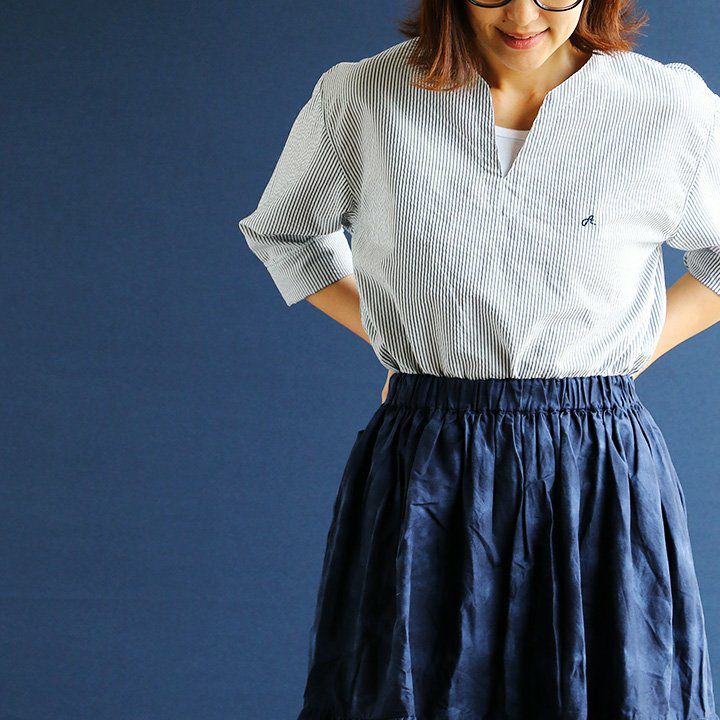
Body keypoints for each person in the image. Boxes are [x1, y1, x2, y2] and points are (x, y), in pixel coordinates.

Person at [238, 0, 720, 716]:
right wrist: (410, 337)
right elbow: (286, 232)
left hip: (595, 466)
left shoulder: (665, 105)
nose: (523, 15)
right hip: (428, 454)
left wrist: (624, 352)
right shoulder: (366, 96)